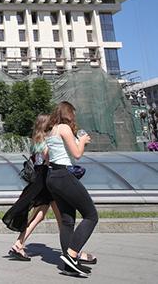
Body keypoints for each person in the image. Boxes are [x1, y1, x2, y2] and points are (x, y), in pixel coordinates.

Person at [3, 114, 97, 264]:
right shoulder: (46, 140)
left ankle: (19, 244)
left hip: (43, 180)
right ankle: (72, 253)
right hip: (48, 180)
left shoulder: (37, 141)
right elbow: (49, 160)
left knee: (44, 216)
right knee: (63, 220)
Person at [45, 101, 98, 277]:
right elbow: (77, 154)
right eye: (73, 114)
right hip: (64, 176)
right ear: (68, 114)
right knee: (91, 215)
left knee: (67, 221)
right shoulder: (64, 128)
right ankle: (72, 254)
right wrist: (82, 141)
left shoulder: (51, 131)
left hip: (52, 177)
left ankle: (69, 265)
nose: (74, 117)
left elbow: (46, 157)